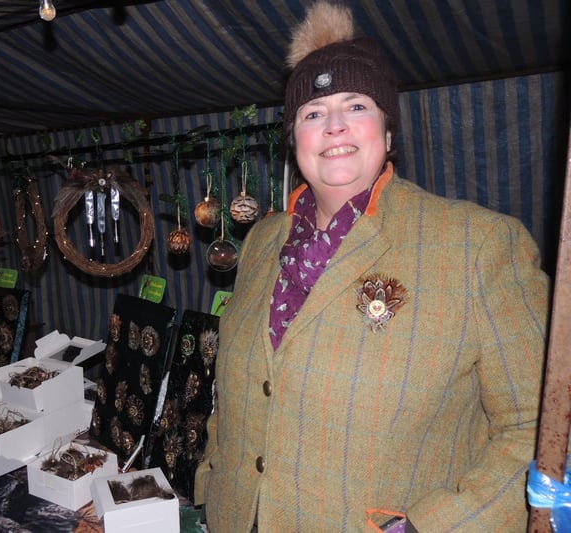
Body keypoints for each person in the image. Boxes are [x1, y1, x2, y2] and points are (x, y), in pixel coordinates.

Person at [194, 2, 549, 532]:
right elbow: (242, 391)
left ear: (387, 132)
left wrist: (430, 527)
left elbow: (537, 428)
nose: (334, 125)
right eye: (312, 114)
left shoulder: (479, 246)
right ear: (295, 142)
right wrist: (212, 480)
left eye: (356, 106)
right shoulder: (263, 240)